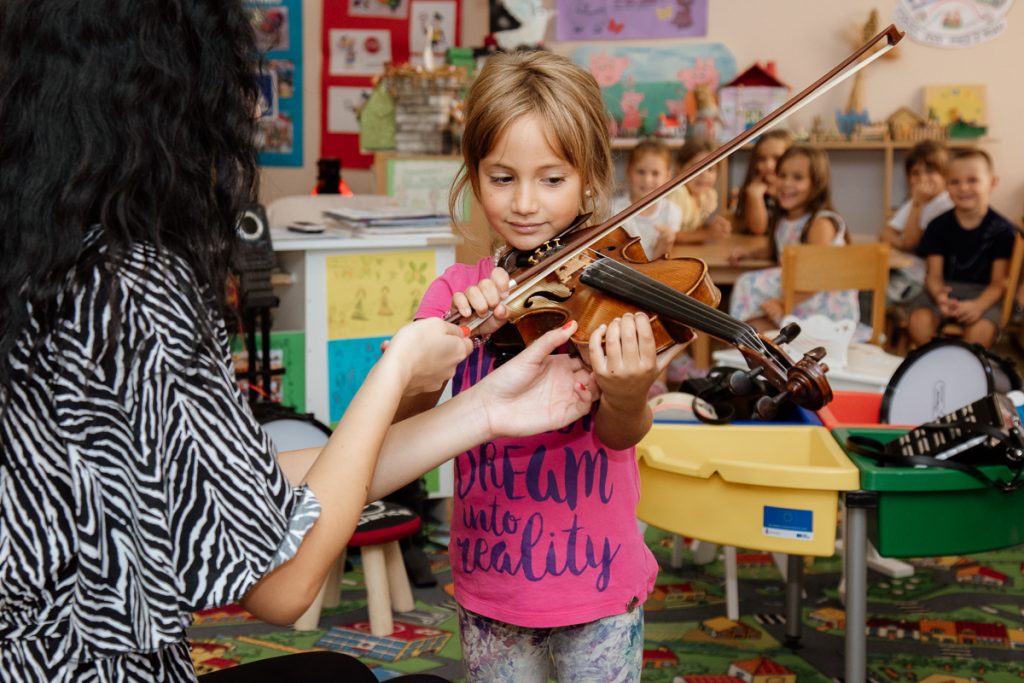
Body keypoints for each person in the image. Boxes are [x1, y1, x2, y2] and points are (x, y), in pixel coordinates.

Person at [0, 4, 599, 681]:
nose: (252, 111)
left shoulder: (40, 258)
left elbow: (247, 487)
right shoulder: (133, 287)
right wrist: (397, 365)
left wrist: (483, 409)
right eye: (229, 81)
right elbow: (284, 584)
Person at [397, 50, 685, 682]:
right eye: (503, 178)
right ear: (474, 178)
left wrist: (628, 392)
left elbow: (618, 435)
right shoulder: (454, 293)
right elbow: (402, 427)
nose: (525, 203)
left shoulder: (614, 296)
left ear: (589, 180)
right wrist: (452, 337)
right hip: (492, 584)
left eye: (551, 179)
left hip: (600, 585)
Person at [728, 145, 858, 332]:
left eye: (798, 178)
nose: (786, 183)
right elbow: (786, 248)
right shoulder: (786, 219)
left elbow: (818, 275)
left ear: (817, 183)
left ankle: (739, 339)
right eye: (782, 175)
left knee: (747, 284)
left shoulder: (820, 224)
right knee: (752, 322)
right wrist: (750, 254)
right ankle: (741, 340)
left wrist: (783, 303)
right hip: (799, 300)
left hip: (823, 311)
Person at [906, 149, 1015, 349]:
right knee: (918, 321)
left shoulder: (1003, 231)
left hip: (984, 294)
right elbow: (934, 275)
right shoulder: (937, 226)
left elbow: (999, 283)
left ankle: (965, 372)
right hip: (943, 289)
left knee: (980, 334)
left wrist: (978, 305)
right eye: (954, 182)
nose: (963, 187)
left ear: (992, 183)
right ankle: (932, 365)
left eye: (972, 180)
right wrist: (939, 296)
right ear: (947, 185)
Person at [879, 140, 953, 304]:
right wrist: (902, 243)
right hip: (903, 271)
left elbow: (912, 244)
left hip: (920, 280)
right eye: (915, 173)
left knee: (873, 298)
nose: (922, 178)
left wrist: (918, 204)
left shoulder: (946, 204)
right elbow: (885, 234)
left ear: (946, 175)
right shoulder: (914, 202)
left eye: (930, 171)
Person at [611, 138, 683, 260]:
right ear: (628, 172)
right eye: (640, 172)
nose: (647, 180)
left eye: (655, 173)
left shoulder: (672, 212)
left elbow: (663, 259)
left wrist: (666, 244)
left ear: (667, 176)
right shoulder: (613, 210)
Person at [668, 137, 733, 245]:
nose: (704, 174)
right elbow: (672, 235)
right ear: (678, 168)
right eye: (696, 167)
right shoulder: (678, 193)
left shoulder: (707, 195)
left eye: (710, 169)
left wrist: (712, 227)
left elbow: (690, 229)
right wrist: (707, 234)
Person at [732, 129, 795, 235]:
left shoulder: (797, 192)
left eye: (777, 158)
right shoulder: (757, 189)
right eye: (761, 159)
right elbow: (757, 230)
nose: (769, 165)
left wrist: (779, 195)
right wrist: (755, 197)